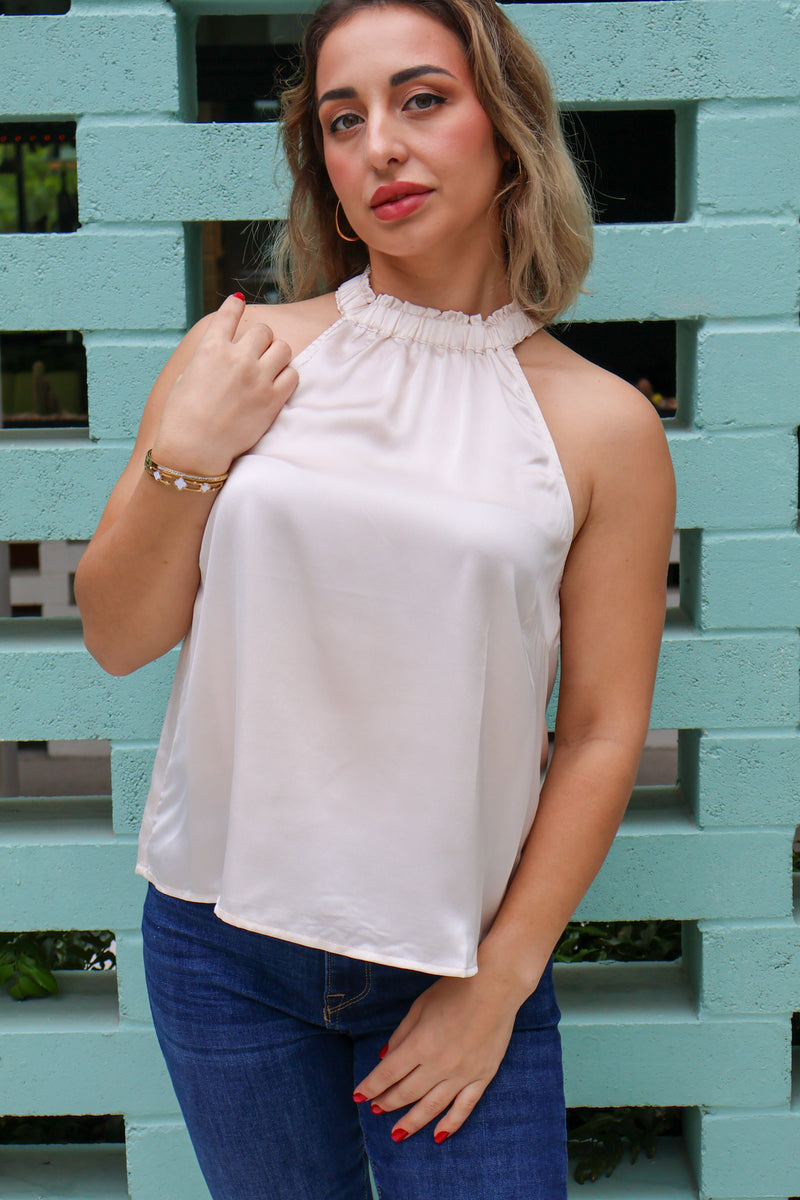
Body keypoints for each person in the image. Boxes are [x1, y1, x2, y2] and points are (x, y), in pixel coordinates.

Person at [74, 1, 675, 1197]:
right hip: (221, 945)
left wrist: (496, 981)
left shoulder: (600, 422)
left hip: (455, 957)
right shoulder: (245, 357)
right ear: (325, 171)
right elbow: (117, 632)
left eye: (421, 100)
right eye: (342, 121)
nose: (380, 146)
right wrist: (187, 448)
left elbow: (604, 730)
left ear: (503, 128)